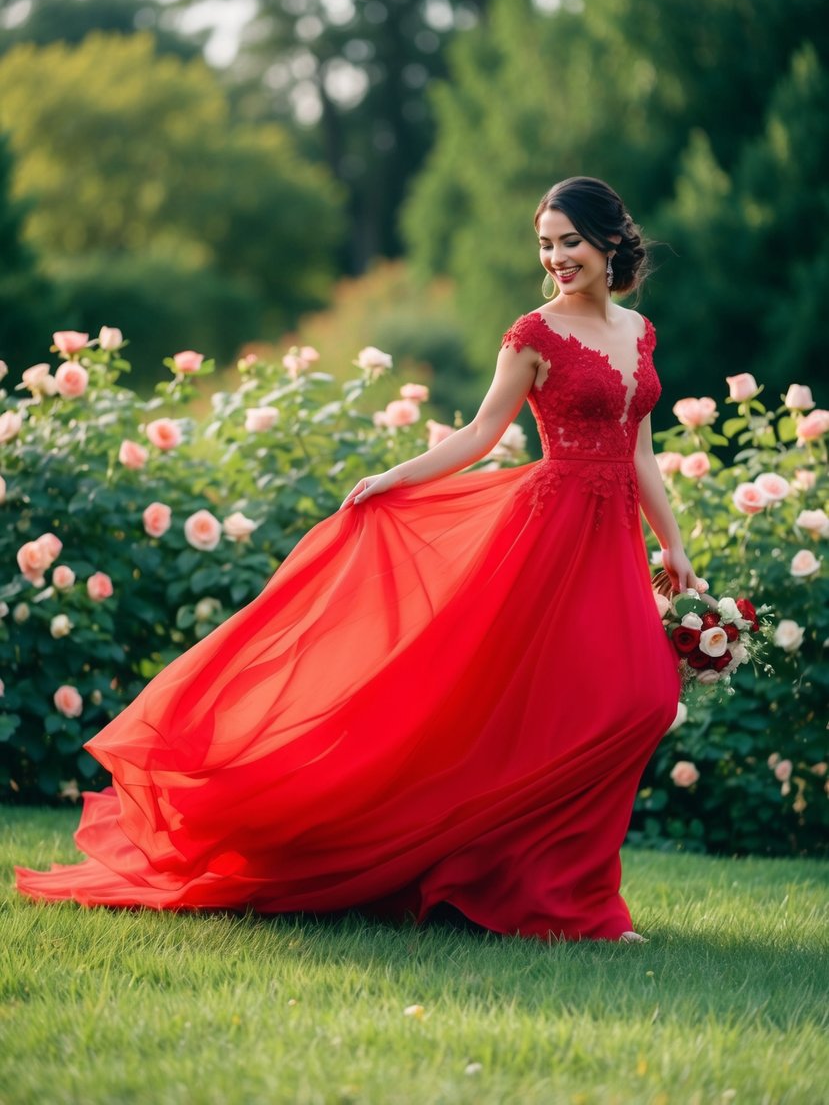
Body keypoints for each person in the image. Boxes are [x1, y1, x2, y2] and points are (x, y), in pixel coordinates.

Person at [15, 175, 704, 942]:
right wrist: (391, 478)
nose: (555, 257)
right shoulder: (533, 334)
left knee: (637, 699)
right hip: (548, 532)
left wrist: (672, 545)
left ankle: (542, 883)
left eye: (568, 241)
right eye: (544, 245)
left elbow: (639, 448)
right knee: (554, 710)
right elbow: (479, 435)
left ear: (609, 239)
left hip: (611, 540)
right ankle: (564, 903)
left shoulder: (636, 333)